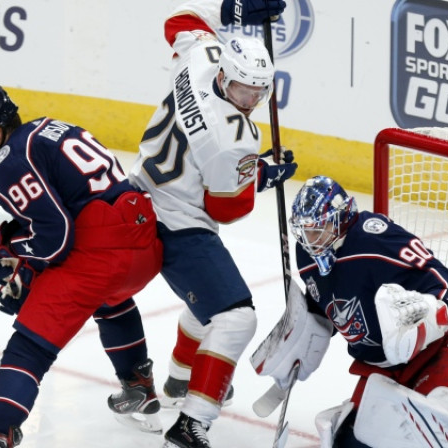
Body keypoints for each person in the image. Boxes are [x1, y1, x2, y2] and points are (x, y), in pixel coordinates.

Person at [0, 82, 164, 448]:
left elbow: (56, 237)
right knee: (110, 299)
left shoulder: (7, 164)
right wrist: (25, 262)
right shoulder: (47, 126)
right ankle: (138, 384)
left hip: (102, 251)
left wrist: (11, 256)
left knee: (29, 346)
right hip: (143, 241)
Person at [127, 0, 292, 446]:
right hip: (175, 223)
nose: (251, 101)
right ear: (224, 77)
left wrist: (231, 10)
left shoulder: (200, 56)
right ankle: (192, 422)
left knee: (210, 304)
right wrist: (261, 175)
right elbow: (226, 210)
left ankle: (181, 381)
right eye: (243, 92)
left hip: (138, 195)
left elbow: (180, 20)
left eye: (259, 92)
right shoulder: (235, 138)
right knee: (236, 317)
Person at [251, 175, 448, 447]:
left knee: (425, 431)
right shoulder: (307, 257)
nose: (310, 240)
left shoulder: (372, 240)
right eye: (304, 231)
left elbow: (447, 285)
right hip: (385, 370)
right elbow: (322, 306)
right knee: (349, 443)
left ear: (340, 219)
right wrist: (300, 338)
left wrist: (433, 314)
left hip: (442, 350)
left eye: (317, 230)